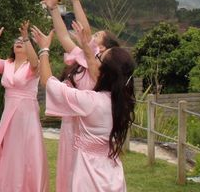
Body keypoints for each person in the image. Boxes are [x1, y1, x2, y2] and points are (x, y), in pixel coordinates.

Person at [32, 22, 136, 192]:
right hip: (112, 172)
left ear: (104, 71)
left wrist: (44, 50)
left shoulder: (90, 101)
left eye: (100, 57)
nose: (95, 58)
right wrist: (87, 47)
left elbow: (47, 82)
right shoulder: (122, 101)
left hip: (89, 172)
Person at [39, 0, 120, 192]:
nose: (90, 35)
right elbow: (63, 35)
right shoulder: (81, 58)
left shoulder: (98, 69)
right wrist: (54, 10)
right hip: (71, 121)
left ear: (102, 48)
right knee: (68, 169)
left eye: (96, 36)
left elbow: (83, 29)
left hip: (88, 124)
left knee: (84, 172)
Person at [0, 19, 48, 191]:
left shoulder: (34, 66)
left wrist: (26, 37)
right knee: (9, 150)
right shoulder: (7, 64)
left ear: (28, 46)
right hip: (9, 113)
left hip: (27, 115)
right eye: (16, 41)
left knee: (25, 151)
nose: (18, 43)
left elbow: (34, 63)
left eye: (22, 42)